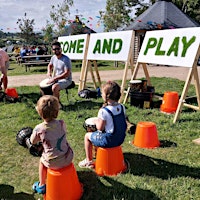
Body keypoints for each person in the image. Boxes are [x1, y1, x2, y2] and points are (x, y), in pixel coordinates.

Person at [31, 95, 74, 194]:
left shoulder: (39, 128)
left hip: (53, 162)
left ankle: (41, 185)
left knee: (42, 160)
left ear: (39, 112)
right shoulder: (62, 123)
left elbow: (33, 141)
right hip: (68, 157)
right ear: (57, 112)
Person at [78, 81, 127, 168]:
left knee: (87, 136)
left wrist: (97, 121)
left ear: (106, 96)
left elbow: (100, 128)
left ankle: (88, 161)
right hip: (120, 138)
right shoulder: (122, 107)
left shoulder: (104, 111)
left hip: (109, 140)